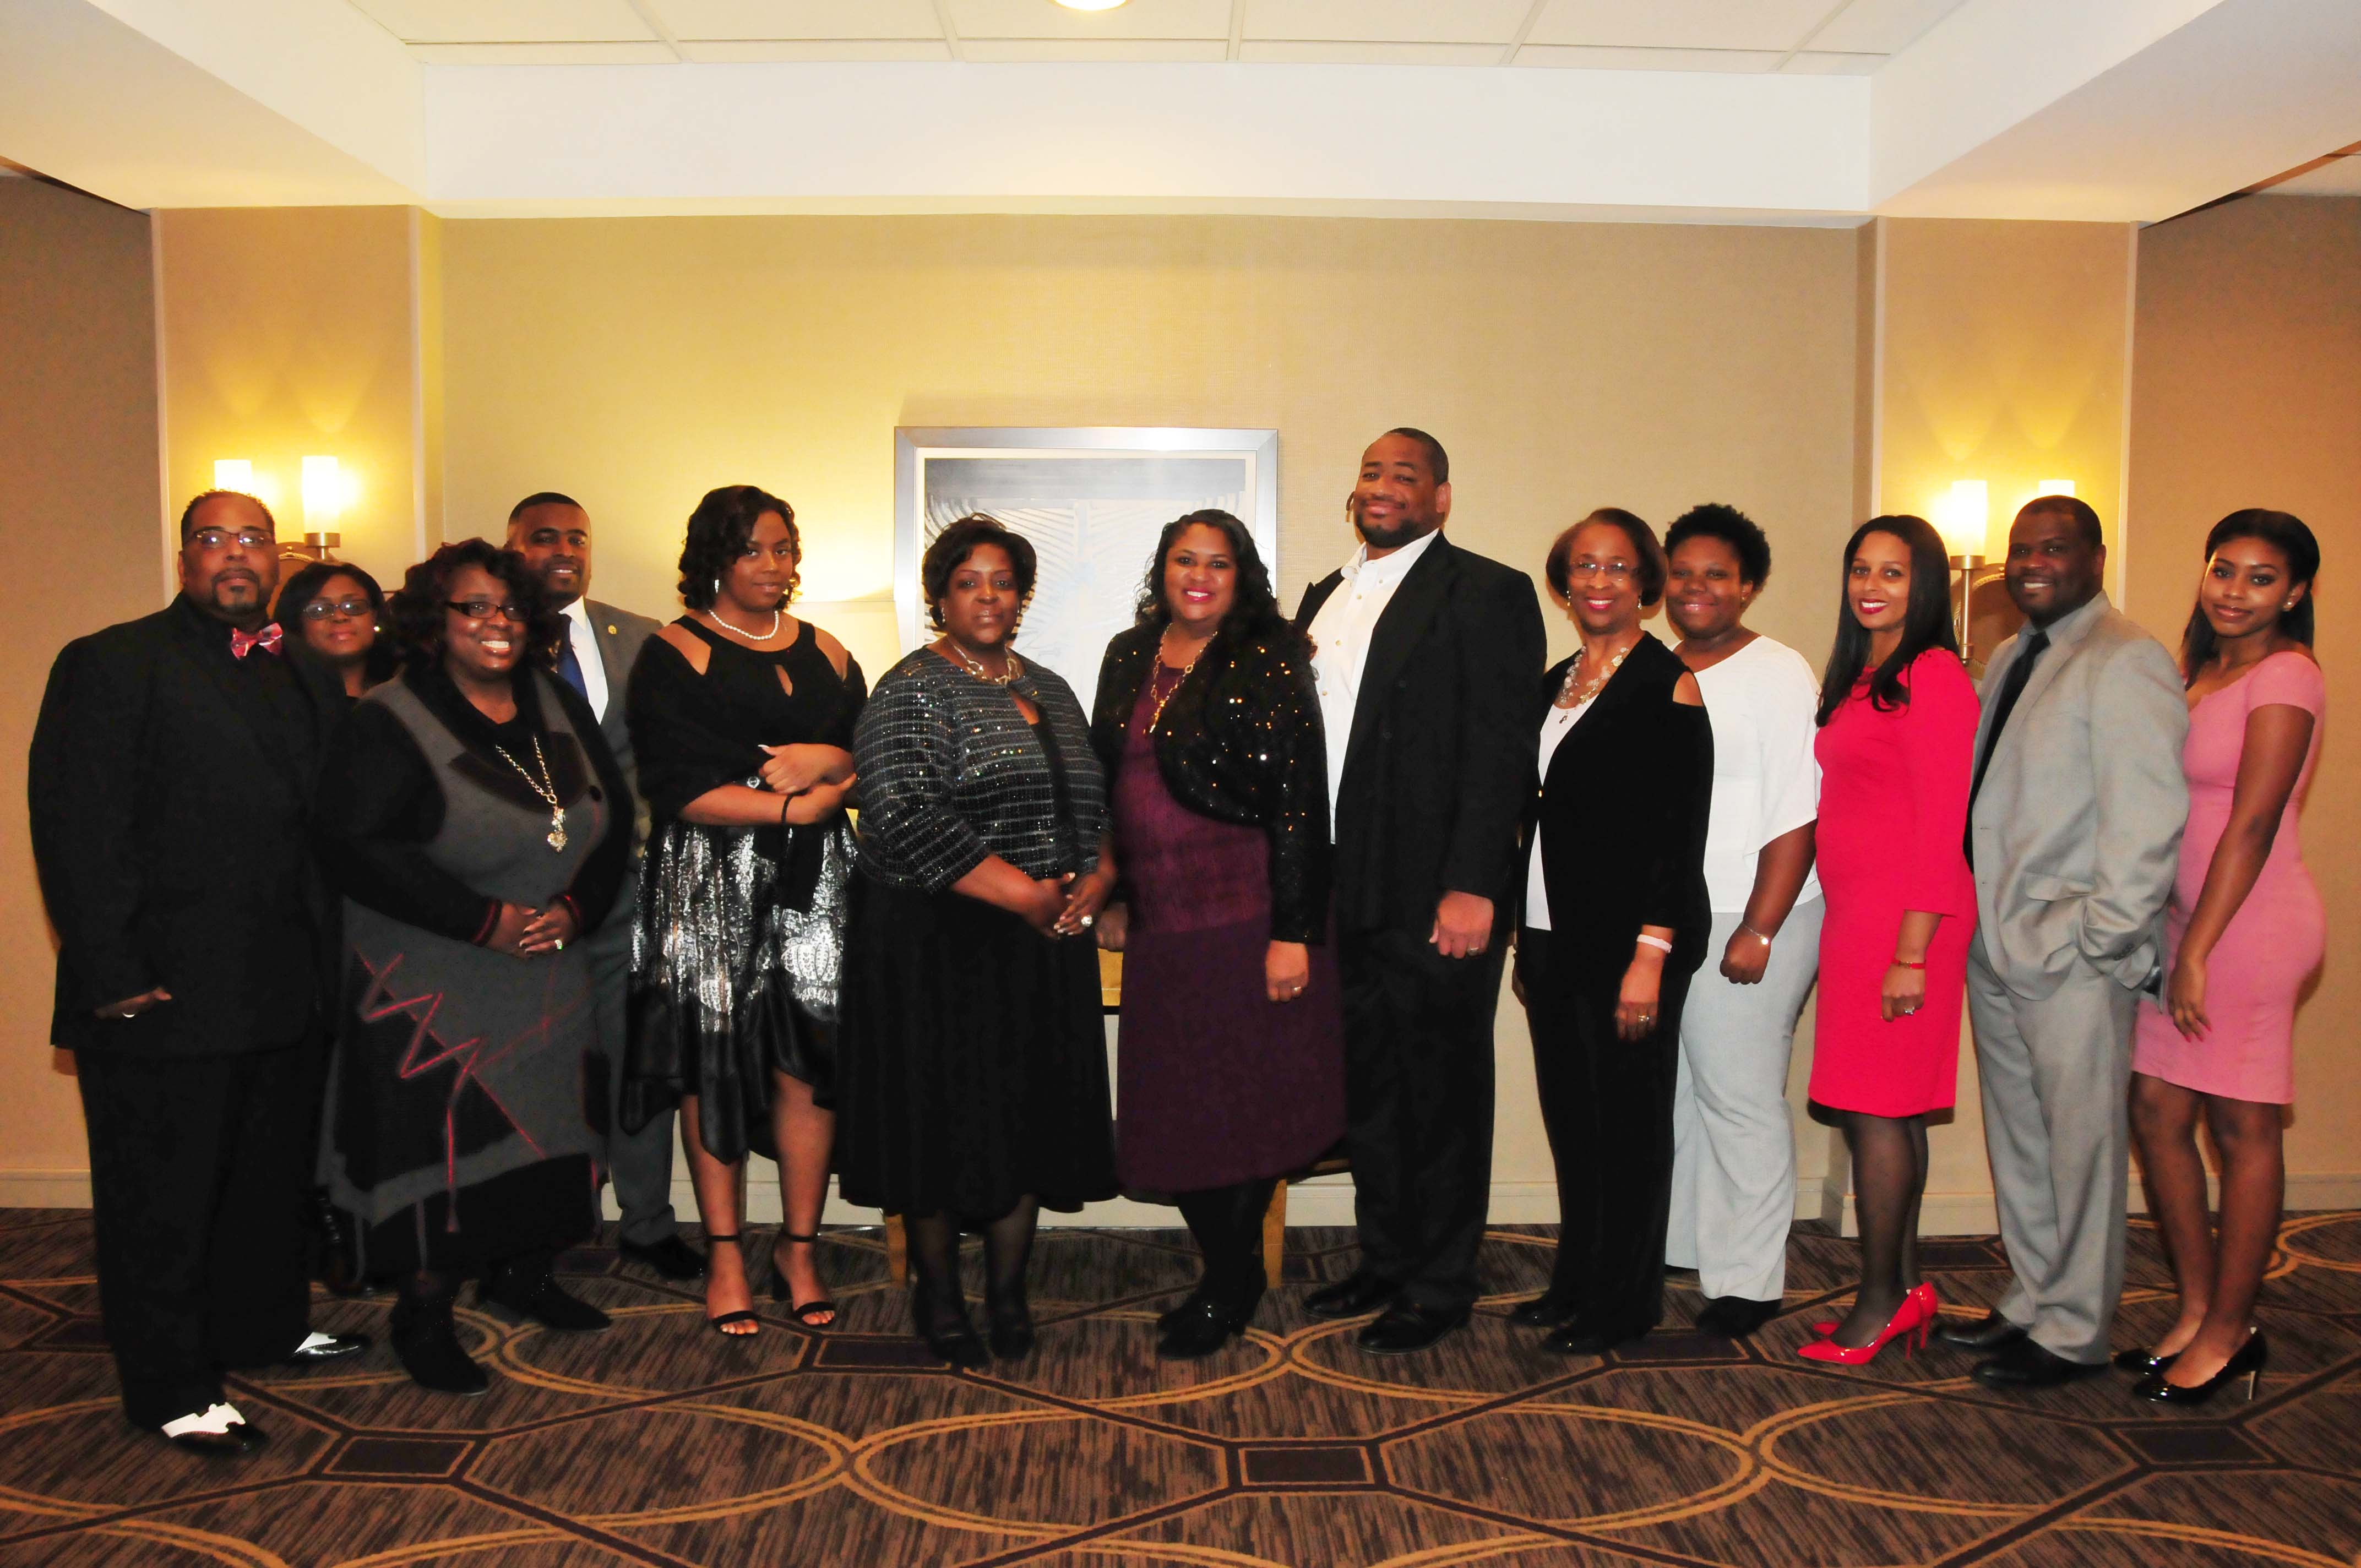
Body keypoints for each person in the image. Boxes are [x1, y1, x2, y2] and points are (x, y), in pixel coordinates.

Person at [28, 491, 367, 1457]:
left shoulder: (302, 667)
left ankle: (262, 1326)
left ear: (278, 559)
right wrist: (112, 969)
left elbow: (323, 830)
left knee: (265, 1181)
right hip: (161, 992)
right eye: (212, 539)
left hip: (282, 986)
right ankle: (170, 1385)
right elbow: (77, 825)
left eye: (252, 540)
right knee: (160, 1198)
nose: (234, 556)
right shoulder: (114, 660)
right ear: (182, 558)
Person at [313, 539, 631, 1396]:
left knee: (550, 1135)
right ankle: (424, 1312)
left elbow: (614, 820)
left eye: (511, 609)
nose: (498, 624)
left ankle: (524, 1277)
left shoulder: (554, 703)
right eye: (475, 607)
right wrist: (483, 920)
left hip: (545, 967)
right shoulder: (389, 716)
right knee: (441, 1148)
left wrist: (575, 910)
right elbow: (354, 846)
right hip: (429, 982)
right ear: (434, 620)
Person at [835, 515, 1117, 1366]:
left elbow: (1095, 801)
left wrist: (1096, 882)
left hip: (1043, 945)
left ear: (1023, 596)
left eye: (1002, 582)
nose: (987, 596)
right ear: (939, 597)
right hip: (938, 944)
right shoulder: (910, 688)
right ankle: (941, 1296)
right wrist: (1027, 895)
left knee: (1026, 1115)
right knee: (939, 1117)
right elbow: (901, 815)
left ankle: (1006, 1291)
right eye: (968, 582)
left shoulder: (1053, 687)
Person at [1295, 428, 1547, 1355]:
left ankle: (1440, 1280)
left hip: (1435, 888)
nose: (1383, 485)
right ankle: (1387, 1257)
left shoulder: (1486, 589)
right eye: (1370, 471)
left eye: (1405, 475)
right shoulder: (1321, 597)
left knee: (1438, 1086)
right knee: (1367, 1084)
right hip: (1341, 884)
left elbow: (1500, 746)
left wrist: (1474, 882)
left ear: (1440, 497)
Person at [1940, 496, 2188, 1389]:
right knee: (2022, 1138)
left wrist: (2099, 937)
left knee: (2079, 1143)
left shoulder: (2125, 659)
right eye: (2020, 550)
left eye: (2053, 548)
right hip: (1997, 936)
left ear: (2094, 556)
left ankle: (2077, 1324)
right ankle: (2035, 1296)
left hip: (2070, 949)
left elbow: (2147, 817)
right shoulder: (2012, 653)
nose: (2032, 563)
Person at [1090, 510, 1345, 1360]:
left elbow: (1302, 800)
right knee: (1181, 1115)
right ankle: (1230, 1269)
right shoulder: (1128, 655)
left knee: (1246, 1113)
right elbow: (1106, 785)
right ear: (1161, 568)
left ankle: (1228, 1282)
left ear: (1244, 578)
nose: (1198, 575)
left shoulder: (1269, 656)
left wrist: (1294, 931)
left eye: (1219, 563)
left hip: (1249, 919)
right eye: (1183, 560)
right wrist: (1117, 895)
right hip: (1165, 929)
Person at [622, 486, 863, 1336]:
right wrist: (800, 806)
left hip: (818, 885)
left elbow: (870, 757)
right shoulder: (674, 651)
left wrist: (830, 758)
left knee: (811, 1063)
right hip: (707, 880)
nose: (775, 566)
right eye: (756, 549)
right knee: (713, 1062)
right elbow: (677, 789)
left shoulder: (831, 651)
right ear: (715, 556)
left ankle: (800, 1247)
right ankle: (725, 1253)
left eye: (786, 548)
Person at [2124, 510, 2323, 1405]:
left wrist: (2196, 947)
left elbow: (2249, 821)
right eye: (2222, 569)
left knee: (2240, 1127)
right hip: (2181, 924)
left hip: (2244, 927)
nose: (2233, 590)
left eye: (2258, 577)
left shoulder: (2287, 676)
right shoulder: (2197, 671)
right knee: (2157, 1110)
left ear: (2294, 592)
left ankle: (2230, 1328)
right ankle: (2199, 1306)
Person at [1511, 509, 1713, 1355]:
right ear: (1566, 582)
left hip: (1632, 946)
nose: (1599, 581)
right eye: (1585, 566)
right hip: (1551, 936)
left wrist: (1651, 955)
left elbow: (1679, 832)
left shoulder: (1669, 682)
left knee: (1628, 1126)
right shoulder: (1554, 681)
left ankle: (1626, 1300)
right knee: (1573, 1119)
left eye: (1619, 568)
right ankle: (1579, 1278)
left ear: (1645, 586)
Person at [504, 492, 699, 1284]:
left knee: (634, 1067)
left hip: (629, 893)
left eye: (576, 538)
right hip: (524, 904)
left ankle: (647, 1221)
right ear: (511, 545)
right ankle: (540, 1226)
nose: (562, 549)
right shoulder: (488, 637)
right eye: (541, 537)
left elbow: (664, 759)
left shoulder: (639, 638)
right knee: (534, 1067)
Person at [1798, 516, 1979, 1366]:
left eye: (1895, 574)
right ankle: (1904, 1291)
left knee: (1877, 1110)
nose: (1872, 586)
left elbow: (1944, 824)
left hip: (1909, 920)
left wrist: (1911, 952)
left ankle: (1879, 1302)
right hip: (1860, 915)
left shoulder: (1935, 675)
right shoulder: (1866, 674)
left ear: (1928, 585)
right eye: (1861, 570)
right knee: (1890, 1108)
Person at [1660, 504, 1824, 1340]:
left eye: (1716, 574)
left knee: (1740, 1095)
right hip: (1680, 909)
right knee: (1687, 1091)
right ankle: (1693, 1245)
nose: (1696, 588)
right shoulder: (1658, 667)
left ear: (1749, 585)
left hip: (1757, 908)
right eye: (1682, 572)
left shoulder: (1777, 670)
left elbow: (1798, 808)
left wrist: (1759, 926)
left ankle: (1753, 1279)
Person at [275, 559, 396, 698]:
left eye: (354, 607)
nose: (340, 617)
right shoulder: (279, 701)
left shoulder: (404, 695)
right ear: (297, 623)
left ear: (374, 617)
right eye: (320, 610)